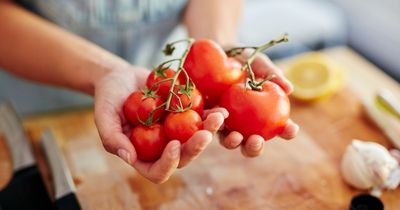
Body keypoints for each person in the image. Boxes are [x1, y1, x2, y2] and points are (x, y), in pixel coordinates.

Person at [0, 0, 299, 184]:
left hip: (162, 87)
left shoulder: (175, 97)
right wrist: (102, 72)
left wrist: (218, 46)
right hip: (38, 102)